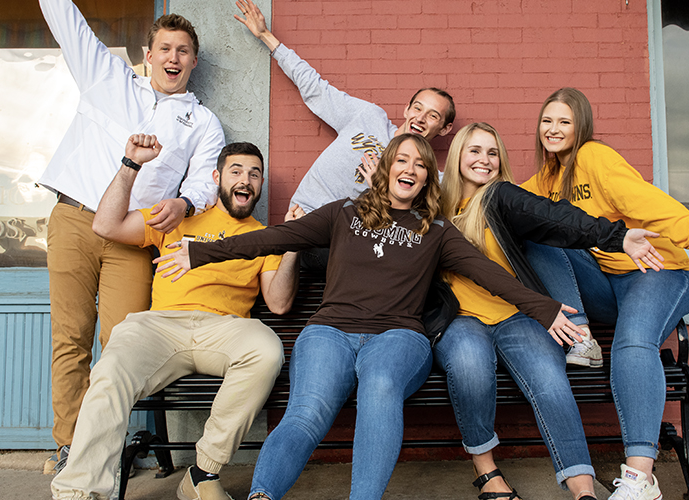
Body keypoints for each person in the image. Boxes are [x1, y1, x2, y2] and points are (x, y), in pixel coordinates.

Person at [154, 134, 586, 500]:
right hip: (330, 332)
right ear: (385, 168)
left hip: (398, 337)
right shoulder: (344, 212)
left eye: (421, 164)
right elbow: (273, 238)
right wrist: (200, 252)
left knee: (380, 387)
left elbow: (490, 274)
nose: (411, 168)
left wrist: (545, 309)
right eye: (402, 160)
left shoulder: (435, 230)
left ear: (426, 179)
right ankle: (263, 494)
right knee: (306, 411)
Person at [50, 136, 299, 500]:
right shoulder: (178, 217)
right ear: (217, 176)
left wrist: (292, 241)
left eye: (255, 174)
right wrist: (130, 165)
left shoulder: (263, 237)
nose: (246, 180)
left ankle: (202, 473)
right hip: (161, 326)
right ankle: (78, 491)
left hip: (224, 330)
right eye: (236, 171)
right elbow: (105, 225)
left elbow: (277, 304)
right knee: (111, 369)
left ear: (260, 185)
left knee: (266, 350)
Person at [522, 87, 689, 500]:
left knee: (633, 343)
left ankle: (641, 479)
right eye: (547, 121)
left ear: (580, 126)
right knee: (532, 225)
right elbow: (494, 200)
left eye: (564, 121)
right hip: (606, 286)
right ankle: (582, 336)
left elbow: (652, 204)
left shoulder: (596, 158)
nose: (553, 129)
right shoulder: (545, 181)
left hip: (655, 272)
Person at [37, 0, 225, 474]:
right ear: (148, 53)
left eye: (184, 51)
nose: (174, 57)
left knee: (121, 345)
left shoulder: (202, 121)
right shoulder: (106, 77)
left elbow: (205, 179)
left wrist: (186, 203)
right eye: (166, 47)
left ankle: (100, 445)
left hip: (135, 237)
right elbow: (65, 18)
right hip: (75, 217)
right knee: (71, 338)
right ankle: (69, 447)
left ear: (194, 61)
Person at [437, 122, 664, 500]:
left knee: (550, 382)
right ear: (457, 154)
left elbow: (556, 217)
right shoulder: (434, 207)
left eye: (493, 153)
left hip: (516, 315)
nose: (485, 160)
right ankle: (487, 473)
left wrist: (617, 236)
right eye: (475, 150)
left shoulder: (502, 197)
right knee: (469, 367)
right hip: (460, 320)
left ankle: (583, 489)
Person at [233, 0, 455, 270]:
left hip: (348, 245)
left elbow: (411, 230)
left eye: (432, 115)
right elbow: (316, 89)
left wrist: (381, 189)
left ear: (444, 129)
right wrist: (266, 36)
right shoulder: (368, 117)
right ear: (406, 109)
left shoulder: (428, 174)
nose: (420, 117)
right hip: (304, 219)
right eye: (417, 108)